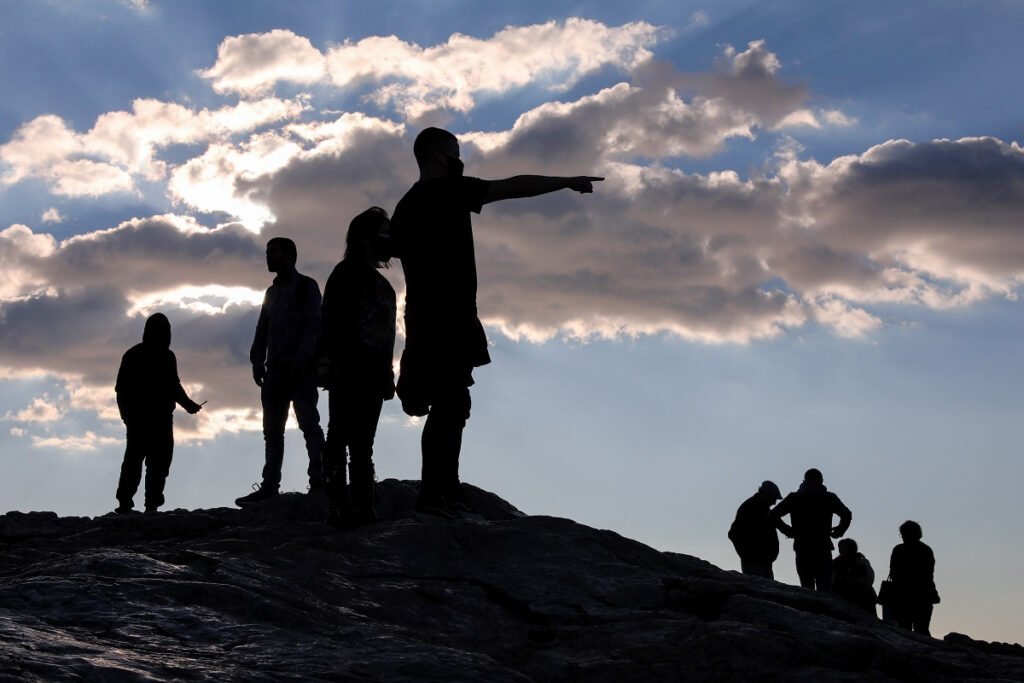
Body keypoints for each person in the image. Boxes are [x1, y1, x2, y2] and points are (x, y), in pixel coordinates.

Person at [389, 126, 602, 517]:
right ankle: (438, 492)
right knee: (452, 402)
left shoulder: (406, 205)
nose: (460, 157)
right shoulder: (449, 191)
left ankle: (441, 489)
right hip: (448, 317)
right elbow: (514, 186)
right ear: (439, 155)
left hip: (422, 316)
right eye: (455, 150)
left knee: (446, 402)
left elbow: (390, 248)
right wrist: (566, 182)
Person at [318, 207, 397, 529]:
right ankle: (339, 507)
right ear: (366, 238)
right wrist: (326, 363)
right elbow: (329, 324)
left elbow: (388, 335)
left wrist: (388, 375)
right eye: (384, 233)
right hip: (346, 370)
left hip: (373, 374)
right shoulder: (344, 275)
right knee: (338, 439)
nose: (390, 240)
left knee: (363, 444)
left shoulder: (383, 285)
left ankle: (364, 508)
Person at [236, 237, 326, 506]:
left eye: (273, 252)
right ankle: (269, 485)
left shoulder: (306, 287)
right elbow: (262, 328)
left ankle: (320, 479)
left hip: (300, 371)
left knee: (309, 424)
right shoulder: (271, 293)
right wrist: (256, 360)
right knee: (272, 432)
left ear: (290, 255)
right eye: (267, 252)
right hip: (274, 373)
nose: (269, 257)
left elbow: (314, 326)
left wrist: (302, 359)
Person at [114, 312, 203, 514]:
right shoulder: (134, 355)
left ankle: (151, 504)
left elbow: (173, 385)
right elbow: (122, 389)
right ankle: (126, 503)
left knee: (159, 464)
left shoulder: (167, 356)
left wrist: (188, 404)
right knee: (135, 462)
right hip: (140, 420)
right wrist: (127, 416)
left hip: (161, 420)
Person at [771, 468, 852, 591]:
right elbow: (847, 514)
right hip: (822, 549)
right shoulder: (828, 498)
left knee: (807, 589)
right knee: (824, 590)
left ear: (804, 481)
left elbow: (773, 515)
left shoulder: (795, 498)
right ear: (821, 481)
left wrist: (788, 531)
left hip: (802, 548)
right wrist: (839, 531)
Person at [887, 520, 939, 635]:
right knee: (922, 629)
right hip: (923, 595)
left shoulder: (898, 550)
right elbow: (928, 573)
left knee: (904, 630)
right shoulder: (926, 550)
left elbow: (893, 572)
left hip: (902, 596)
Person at [728, 480, 783, 578]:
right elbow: (733, 533)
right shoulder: (750, 508)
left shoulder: (764, 509)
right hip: (754, 563)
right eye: (773, 499)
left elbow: (780, 525)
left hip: (763, 562)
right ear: (765, 494)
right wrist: (747, 556)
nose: (774, 503)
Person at [831, 538, 877, 615]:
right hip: (843, 596)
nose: (840, 550)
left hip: (863, 597)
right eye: (840, 548)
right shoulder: (835, 563)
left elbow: (869, 579)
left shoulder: (861, 562)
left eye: (843, 547)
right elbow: (832, 580)